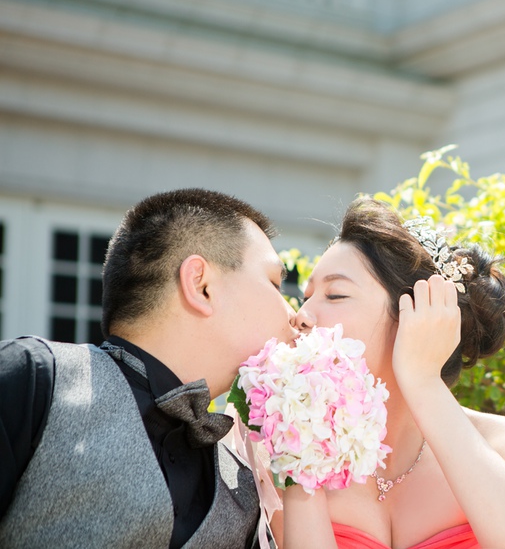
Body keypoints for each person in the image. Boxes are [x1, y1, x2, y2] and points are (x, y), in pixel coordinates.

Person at [0, 188, 298, 549]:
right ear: (200, 285)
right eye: (273, 283)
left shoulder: (245, 490)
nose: (293, 314)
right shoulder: (33, 378)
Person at [280, 198, 505, 549]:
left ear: (416, 316)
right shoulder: (280, 442)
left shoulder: (504, 442)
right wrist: (303, 442)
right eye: (305, 297)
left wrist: (423, 380)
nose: (300, 315)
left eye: (335, 294)